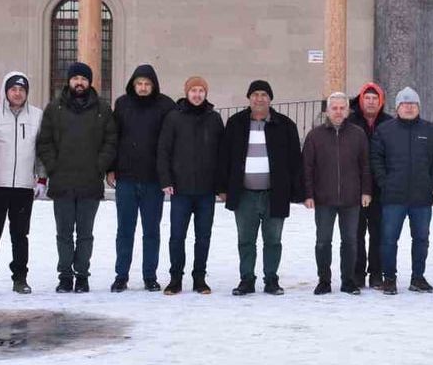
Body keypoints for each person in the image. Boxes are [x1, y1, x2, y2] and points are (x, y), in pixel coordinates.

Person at [36, 62, 118, 293]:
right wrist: (53, 167)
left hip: (89, 182)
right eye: (75, 79)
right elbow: (45, 142)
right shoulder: (54, 108)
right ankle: (65, 276)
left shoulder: (102, 109)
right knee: (63, 234)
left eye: (83, 79)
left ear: (90, 82)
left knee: (85, 234)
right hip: (62, 182)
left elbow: (110, 141)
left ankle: (82, 275)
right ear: (68, 81)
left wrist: (99, 166)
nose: (79, 83)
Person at [219, 80, 304, 296]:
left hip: (274, 193)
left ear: (270, 99)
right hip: (244, 193)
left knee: (273, 240)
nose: (259, 98)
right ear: (249, 98)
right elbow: (224, 157)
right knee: (246, 240)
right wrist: (222, 187)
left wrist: (297, 191)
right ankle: (246, 279)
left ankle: (271, 279)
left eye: (264, 94)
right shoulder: (236, 123)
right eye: (255, 94)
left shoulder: (284, 125)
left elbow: (295, 160)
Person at [371, 87, 433, 295]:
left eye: (413, 104)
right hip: (393, 196)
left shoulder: (431, 131)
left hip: (421, 196)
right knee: (388, 239)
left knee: (421, 238)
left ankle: (417, 277)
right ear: (397, 107)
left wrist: (431, 181)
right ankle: (389, 278)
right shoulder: (385, 131)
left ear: (418, 107)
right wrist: (384, 182)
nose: (409, 107)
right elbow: (376, 159)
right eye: (404, 104)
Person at [109, 64, 175, 293]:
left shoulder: (166, 106)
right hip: (126, 178)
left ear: (154, 85)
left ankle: (150, 275)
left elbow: (170, 144)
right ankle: (121, 275)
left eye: (147, 84)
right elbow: (113, 138)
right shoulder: (122, 104)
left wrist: (168, 176)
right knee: (124, 230)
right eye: (139, 84)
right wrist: (111, 168)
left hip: (153, 180)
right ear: (133, 85)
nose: (143, 88)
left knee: (151, 230)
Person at [157, 76, 224, 295]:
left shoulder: (214, 119)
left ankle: (199, 279)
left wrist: (220, 185)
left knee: (203, 237)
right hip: (180, 189)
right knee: (177, 236)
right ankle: (175, 279)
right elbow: (164, 151)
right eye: (193, 90)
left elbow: (222, 153)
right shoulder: (174, 118)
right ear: (187, 93)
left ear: (206, 93)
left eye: (201, 91)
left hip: (206, 191)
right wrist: (166, 180)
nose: (197, 94)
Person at [0, 71, 45, 295]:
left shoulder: (37, 116)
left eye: (22, 89)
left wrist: (41, 178)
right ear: (5, 91)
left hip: (24, 187)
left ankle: (20, 278)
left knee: (20, 235)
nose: (18, 93)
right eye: (13, 89)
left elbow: (41, 150)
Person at [303, 92, 372, 295]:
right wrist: (308, 194)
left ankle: (348, 280)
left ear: (348, 110)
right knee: (323, 241)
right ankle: (324, 280)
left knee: (350, 241)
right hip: (324, 198)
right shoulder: (315, 135)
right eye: (334, 108)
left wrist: (366, 191)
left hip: (352, 198)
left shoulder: (358, 134)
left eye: (342, 108)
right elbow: (307, 167)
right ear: (327, 110)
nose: (339, 112)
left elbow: (365, 166)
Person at [346, 82, 392, 288]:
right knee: (356, 232)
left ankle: (376, 273)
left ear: (381, 101)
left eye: (375, 98)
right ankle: (357, 273)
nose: (371, 102)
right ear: (361, 100)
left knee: (379, 232)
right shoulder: (350, 122)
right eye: (367, 98)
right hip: (355, 186)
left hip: (381, 187)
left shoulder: (390, 123)